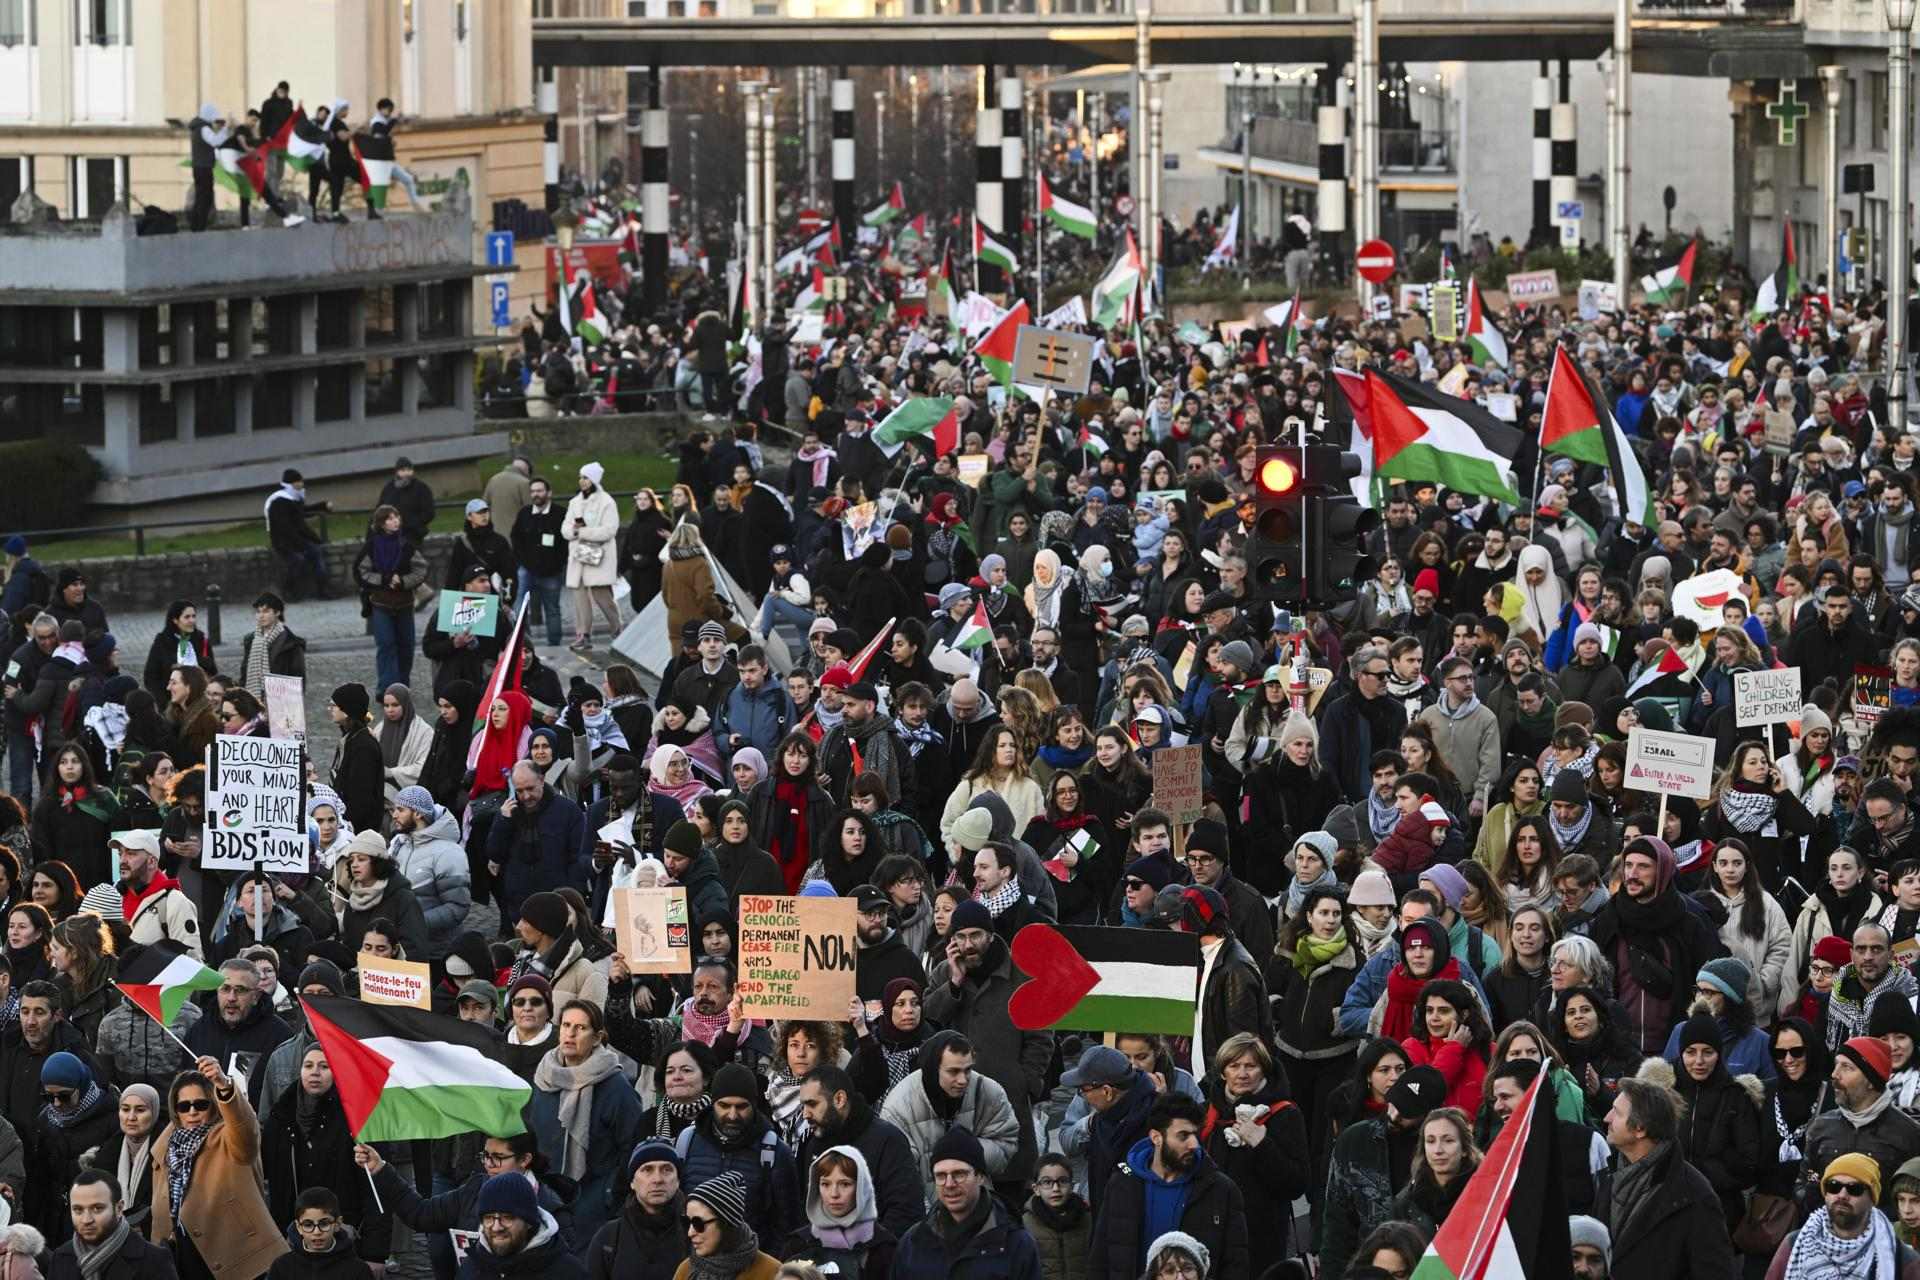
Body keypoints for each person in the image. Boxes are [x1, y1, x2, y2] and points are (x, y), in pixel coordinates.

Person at [922, 904, 1053, 1186]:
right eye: (961, 937)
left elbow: (1040, 1037)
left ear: (990, 936)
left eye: (975, 935)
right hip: (956, 1097)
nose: (968, 944)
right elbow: (928, 1021)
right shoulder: (944, 972)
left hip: (1009, 1097)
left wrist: (1025, 1080)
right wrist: (954, 984)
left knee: (1013, 1180)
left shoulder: (1020, 975)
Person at [149, 1056, 288, 1280]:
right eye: (184, 1106)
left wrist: (224, 1085)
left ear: (213, 1105)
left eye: (201, 1104)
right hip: (183, 1258)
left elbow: (246, 1127)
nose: (192, 1112)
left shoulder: (230, 1136)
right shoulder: (164, 1148)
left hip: (237, 1257)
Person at [1087, 1092, 1247, 1280]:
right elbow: (1100, 1258)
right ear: (1156, 1137)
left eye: (1196, 1134)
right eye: (1183, 1136)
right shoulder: (1123, 1184)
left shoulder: (1220, 1189)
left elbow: (1236, 1265)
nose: (1194, 1144)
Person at [529, 1000, 642, 1247]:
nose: (570, 1033)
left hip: (595, 1201)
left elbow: (631, 1148)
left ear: (597, 1037)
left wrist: (611, 1194)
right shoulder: (543, 1076)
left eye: (580, 1028)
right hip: (547, 1197)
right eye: (566, 1025)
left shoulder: (616, 1087)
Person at [1602, 1074, 1737, 1279]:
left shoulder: (1695, 1195)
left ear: (1640, 1129)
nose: (1607, 1118)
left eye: (1617, 1113)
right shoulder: (1610, 1179)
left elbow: (1715, 1272)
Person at [1198, 1033, 1308, 1275]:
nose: (1242, 1073)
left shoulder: (1285, 1114)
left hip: (1260, 1239)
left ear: (1264, 1070)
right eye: (1234, 1065)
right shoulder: (1207, 1111)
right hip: (1211, 1233)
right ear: (1223, 1070)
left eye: (1251, 1066)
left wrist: (1261, 1143)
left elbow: (1296, 1183)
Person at [888, 1128, 1043, 1280]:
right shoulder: (913, 1242)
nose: (949, 1184)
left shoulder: (1017, 1244)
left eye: (959, 1174)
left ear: (981, 1177)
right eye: (941, 1176)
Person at [1801, 1036, 1920, 1214]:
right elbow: (1802, 1184)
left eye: (1847, 1067)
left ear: (1871, 1080)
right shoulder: (1821, 1126)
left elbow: (1911, 1198)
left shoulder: (1908, 1133)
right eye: (1836, 1065)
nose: (1835, 1074)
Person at [1765, 1154, 1920, 1280]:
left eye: (1854, 1189)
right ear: (1825, 1193)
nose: (1842, 1195)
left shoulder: (1901, 1258)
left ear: (1872, 1198)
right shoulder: (1795, 1244)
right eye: (1833, 1186)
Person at [779, 1146, 896, 1280]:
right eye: (825, 1184)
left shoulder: (882, 1249)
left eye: (845, 1184)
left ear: (861, 1187)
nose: (834, 1194)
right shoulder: (797, 1245)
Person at [50, 1169, 181, 1280]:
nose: (86, 1219)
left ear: (119, 1208)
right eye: (78, 1210)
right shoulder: (61, 1258)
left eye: (97, 1208)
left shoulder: (154, 1260)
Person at [351, 507, 429, 692]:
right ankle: (387, 688)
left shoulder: (406, 545)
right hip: (381, 603)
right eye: (389, 518)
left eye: (396, 517)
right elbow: (361, 572)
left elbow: (421, 569)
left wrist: (403, 581)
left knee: (406, 645)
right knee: (386, 645)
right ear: (381, 523)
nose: (394, 521)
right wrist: (384, 579)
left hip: (404, 603)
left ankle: (402, 687)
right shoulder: (372, 546)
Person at [587, 1138, 687, 1280]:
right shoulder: (609, 1237)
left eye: (667, 1170)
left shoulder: (695, 1233)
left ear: (677, 1180)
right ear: (632, 1182)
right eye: (647, 1170)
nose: (658, 1179)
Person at [459, 1170, 587, 1280]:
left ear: (529, 1222)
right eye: (489, 1218)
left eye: (507, 1217)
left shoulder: (568, 1273)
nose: (496, 1227)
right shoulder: (470, 1268)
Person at [672, 1172, 780, 1280]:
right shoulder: (685, 1270)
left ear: (726, 1223)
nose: (690, 1233)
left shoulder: (772, 1272)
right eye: (687, 1222)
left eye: (698, 1223)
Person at [563, 463, 623, 652]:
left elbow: (609, 530)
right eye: (581, 477)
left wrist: (583, 532)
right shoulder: (574, 502)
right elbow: (565, 528)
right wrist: (573, 531)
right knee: (579, 596)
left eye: (586, 477)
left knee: (601, 595)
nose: (582, 481)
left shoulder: (607, 501)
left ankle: (618, 629)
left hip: (599, 554)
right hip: (579, 554)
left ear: (594, 479)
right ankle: (583, 635)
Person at [512, 478, 570, 649]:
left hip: (552, 572)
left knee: (552, 609)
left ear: (549, 493)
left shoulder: (560, 513)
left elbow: (565, 543)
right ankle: (521, 641)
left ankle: (554, 643)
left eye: (540, 490)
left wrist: (557, 564)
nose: (536, 494)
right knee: (520, 606)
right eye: (533, 491)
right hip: (527, 569)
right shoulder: (525, 513)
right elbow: (516, 538)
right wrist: (523, 561)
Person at [1022, 1156, 1089, 1280]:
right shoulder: (1025, 1224)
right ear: (1036, 1189)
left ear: (1072, 1185)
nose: (1056, 1189)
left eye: (1062, 1181)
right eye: (1047, 1182)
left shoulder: (1087, 1220)